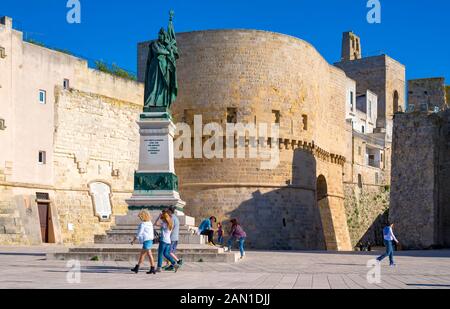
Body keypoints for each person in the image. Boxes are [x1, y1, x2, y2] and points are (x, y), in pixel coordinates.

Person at [130, 210, 156, 274]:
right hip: (150, 240)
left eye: (140, 217)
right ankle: (138, 267)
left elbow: (139, 233)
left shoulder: (143, 224)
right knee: (144, 255)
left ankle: (152, 268)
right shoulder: (150, 223)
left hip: (146, 241)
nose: (140, 218)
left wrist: (133, 240)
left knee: (147, 255)